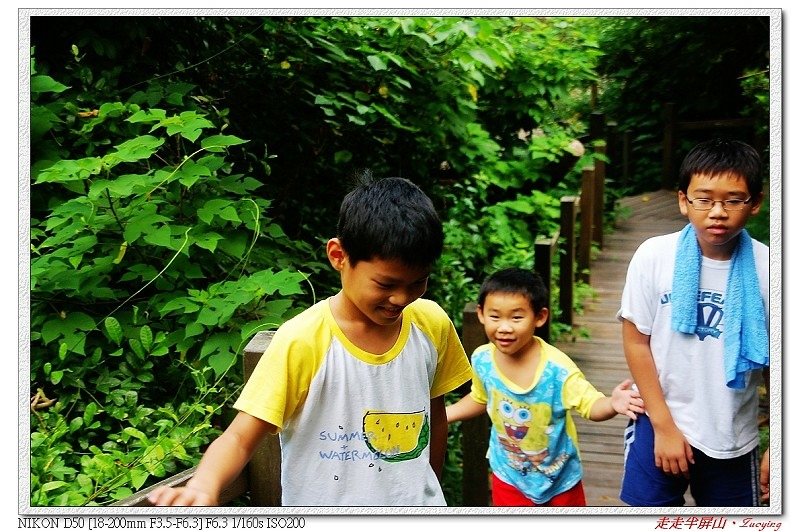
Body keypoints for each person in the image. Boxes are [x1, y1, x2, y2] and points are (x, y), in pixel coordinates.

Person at [148, 172, 473, 506]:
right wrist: (204, 485)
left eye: (418, 282)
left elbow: (434, 418)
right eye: (386, 284)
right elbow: (240, 438)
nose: (402, 298)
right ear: (338, 256)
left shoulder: (431, 323)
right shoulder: (303, 340)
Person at [617, 138, 770, 507]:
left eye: (734, 199)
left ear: (755, 204)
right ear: (683, 201)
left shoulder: (770, 270)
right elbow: (637, 342)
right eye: (704, 198)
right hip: (658, 419)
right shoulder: (654, 256)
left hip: (733, 434)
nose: (717, 211)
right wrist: (664, 428)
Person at [446, 267, 644, 506]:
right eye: (495, 316)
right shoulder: (483, 360)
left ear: (539, 317)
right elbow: (481, 397)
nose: (504, 327)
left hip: (559, 481)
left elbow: (590, 405)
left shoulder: (557, 370)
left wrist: (612, 404)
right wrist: (443, 415)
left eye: (517, 317)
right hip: (508, 477)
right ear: (481, 314)